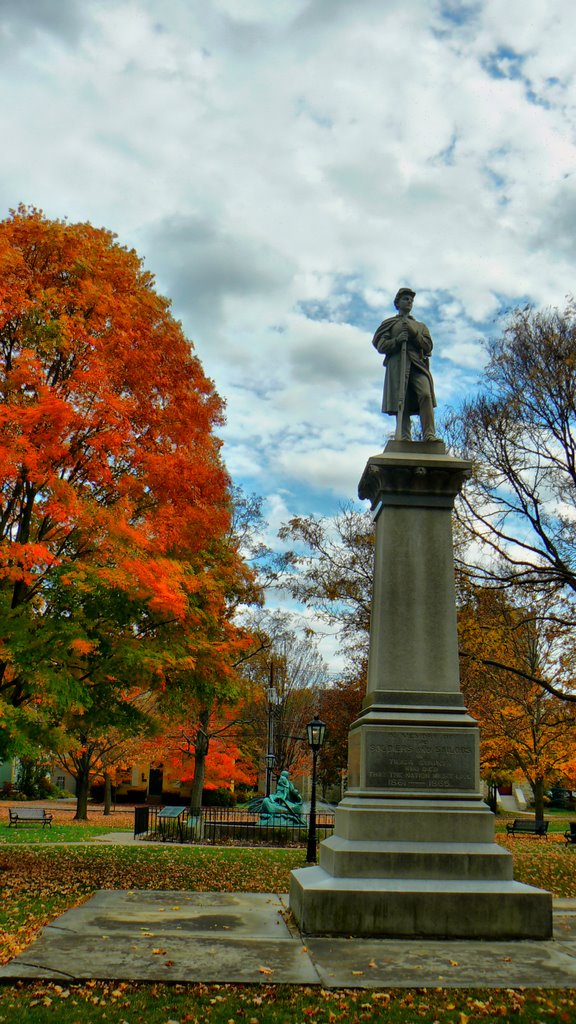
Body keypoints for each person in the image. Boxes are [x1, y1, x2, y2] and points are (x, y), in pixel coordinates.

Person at [372, 287, 438, 441]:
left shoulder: (420, 326)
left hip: (417, 365)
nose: (409, 302)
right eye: (405, 299)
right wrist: (397, 340)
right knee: (402, 399)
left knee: (425, 395)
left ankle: (429, 434)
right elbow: (381, 346)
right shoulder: (390, 323)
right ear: (398, 303)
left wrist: (414, 334)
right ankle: (404, 436)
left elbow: (428, 346)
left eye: (411, 300)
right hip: (398, 365)